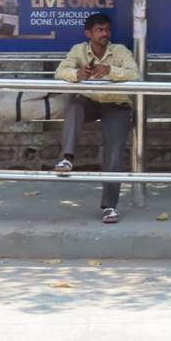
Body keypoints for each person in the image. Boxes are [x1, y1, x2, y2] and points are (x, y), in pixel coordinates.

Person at [52, 12, 140, 223]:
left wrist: (110, 70)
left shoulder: (119, 51)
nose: (105, 34)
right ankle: (67, 158)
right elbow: (60, 71)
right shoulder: (79, 50)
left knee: (114, 153)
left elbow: (134, 74)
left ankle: (109, 207)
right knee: (74, 105)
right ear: (88, 33)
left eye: (107, 30)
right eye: (100, 30)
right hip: (90, 101)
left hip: (116, 104)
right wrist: (78, 74)